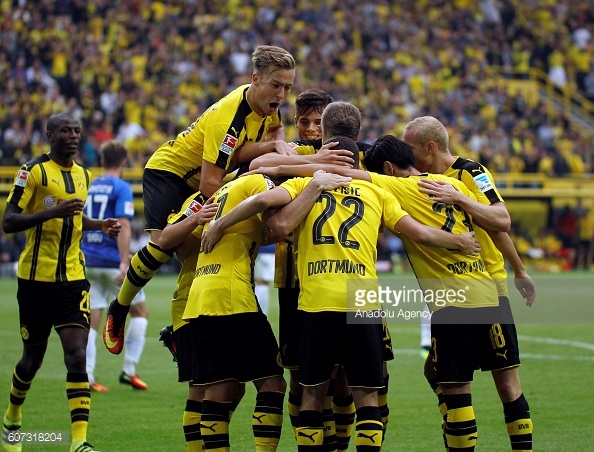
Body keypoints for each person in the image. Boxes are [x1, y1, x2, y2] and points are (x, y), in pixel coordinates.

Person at [200, 139, 481, 452]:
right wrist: (458, 241)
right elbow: (420, 233)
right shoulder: (378, 192)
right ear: (358, 164)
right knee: (368, 398)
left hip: (316, 300)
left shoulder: (305, 184)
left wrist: (220, 225)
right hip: (362, 301)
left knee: (312, 395)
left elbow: (267, 210)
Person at [103, 45, 299, 355]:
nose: (282, 94)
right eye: (276, 85)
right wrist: (247, 191)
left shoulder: (269, 107)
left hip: (205, 181)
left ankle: (178, 333)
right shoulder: (230, 118)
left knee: (195, 254)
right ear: (255, 79)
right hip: (171, 174)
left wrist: (277, 142)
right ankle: (120, 305)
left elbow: (275, 131)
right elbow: (211, 183)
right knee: (165, 244)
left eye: (288, 87)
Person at [182, 171, 356, 451]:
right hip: (231, 296)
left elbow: (259, 231)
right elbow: (274, 214)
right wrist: (313, 188)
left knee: (218, 390)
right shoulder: (257, 181)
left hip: (200, 295)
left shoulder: (223, 192)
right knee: (273, 384)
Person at [402, 116, 535, 451]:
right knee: (436, 370)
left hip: (487, 284)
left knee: (500, 382)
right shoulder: (419, 179)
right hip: (456, 290)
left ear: (430, 148)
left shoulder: (471, 172)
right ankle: (457, 428)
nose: (407, 155)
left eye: (411, 148)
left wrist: (517, 271)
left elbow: (500, 221)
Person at [1, 113, 120, 452]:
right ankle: (12, 418)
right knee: (31, 361)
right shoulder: (32, 172)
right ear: (49, 134)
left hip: (73, 280)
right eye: (65, 131)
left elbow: (76, 219)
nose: (72, 136)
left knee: (76, 354)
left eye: (77, 131)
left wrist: (100, 226)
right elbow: (8, 222)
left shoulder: (84, 174)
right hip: (35, 281)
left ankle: (79, 441)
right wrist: (51, 213)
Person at [82, 140, 148, 392]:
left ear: (101, 161)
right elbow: (123, 224)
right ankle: (129, 370)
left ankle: (87, 375)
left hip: (89, 259)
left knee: (92, 318)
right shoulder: (121, 187)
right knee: (140, 313)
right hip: (112, 261)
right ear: (123, 161)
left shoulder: (88, 183)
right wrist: (124, 260)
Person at [158, 194, 220, 452]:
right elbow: (170, 242)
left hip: (228, 300)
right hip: (193, 302)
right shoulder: (203, 198)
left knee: (231, 388)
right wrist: (201, 221)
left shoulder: (252, 189)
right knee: (203, 388)